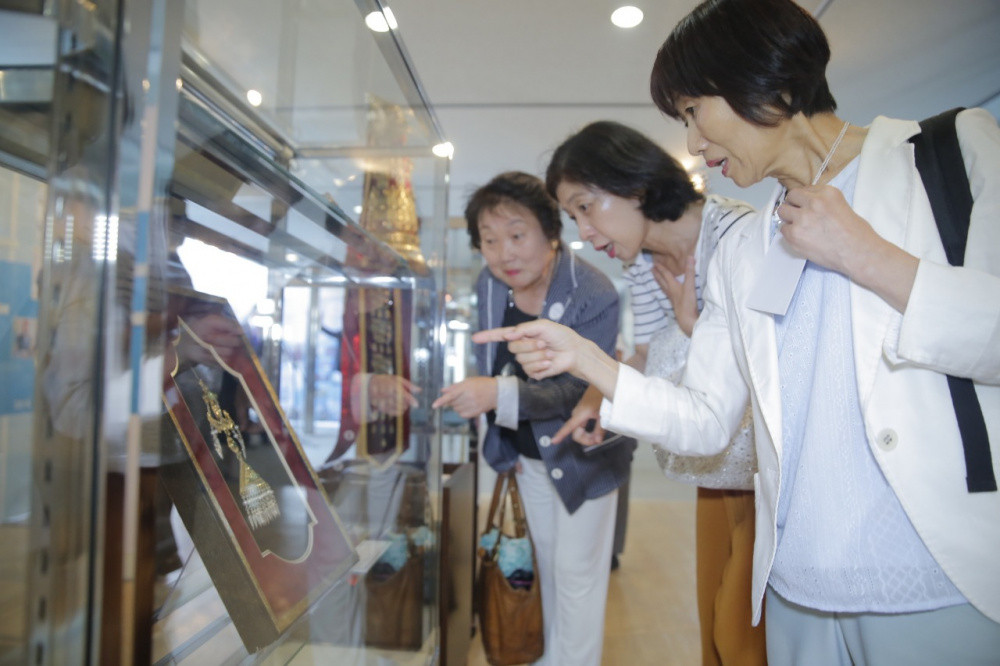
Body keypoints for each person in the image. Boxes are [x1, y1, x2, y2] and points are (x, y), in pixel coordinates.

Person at [473, 1, 1000, 664]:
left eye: (694, 110)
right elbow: (705, 419)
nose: (693, 143)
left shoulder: (950, 155)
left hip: (937, 577)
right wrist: (585, 359)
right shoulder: (750, 245)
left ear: (766, 79)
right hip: (796, 586)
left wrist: (866, 255)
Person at [545, 119, 765, 666]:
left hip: (767, 466)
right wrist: (595, 398)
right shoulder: (642, 262)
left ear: (634, 184)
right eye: (573, 217)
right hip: (716, 466)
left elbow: (765, 366)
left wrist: (693, 329)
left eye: (586, 206)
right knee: (717, 610)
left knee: (747, 623)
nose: (585, 230)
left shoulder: (736, 236)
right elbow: (644, 354)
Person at [433, 171, 630, 666]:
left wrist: (497, 394)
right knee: (541, 568)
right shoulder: (489, 284)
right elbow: (492, 361)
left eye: (517, 235)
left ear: (551, 233)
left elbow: (579, 390)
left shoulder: (593, 291)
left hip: (583, 458)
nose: (504, 253)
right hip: (526, 458)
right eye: (489, 240)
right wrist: (501, 433)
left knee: (576, 576)